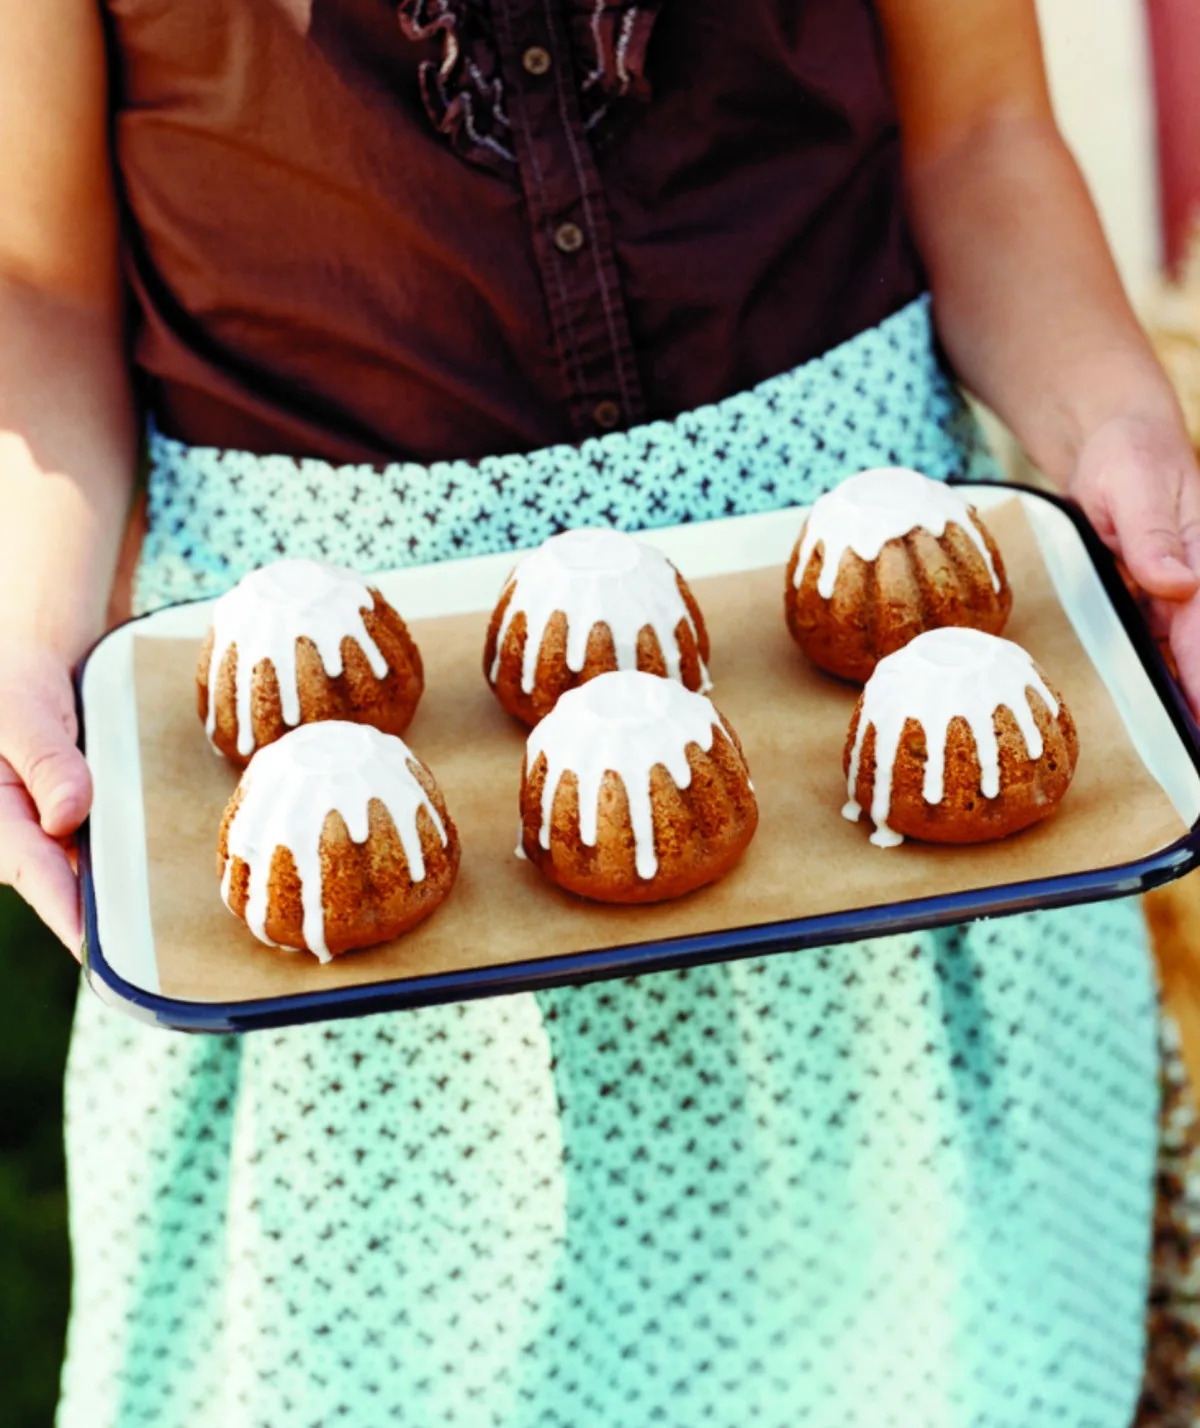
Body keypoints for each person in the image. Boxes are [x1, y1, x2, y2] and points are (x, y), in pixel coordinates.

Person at [3, 1, 1199, 1424]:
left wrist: (1122, 432)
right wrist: (25, 623)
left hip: (882, 692)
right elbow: (35, 276)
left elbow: (988, 133)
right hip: (324, 783)